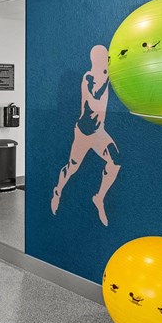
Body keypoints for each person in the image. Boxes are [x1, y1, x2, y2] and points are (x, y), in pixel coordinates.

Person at [51, 45, 120, 226]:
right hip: (83, 132)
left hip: (99, 132)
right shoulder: (88, 78)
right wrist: (107, 80)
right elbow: (94, 101)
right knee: (72, 167)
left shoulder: (108, 76)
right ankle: (58, 191)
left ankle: (99, 197)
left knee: (115, 161)